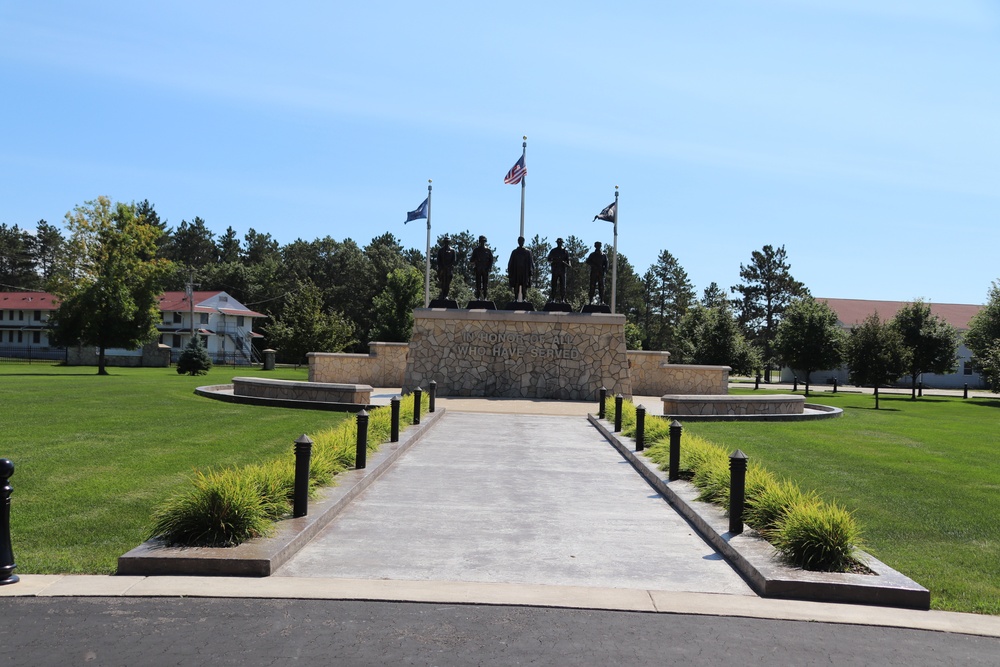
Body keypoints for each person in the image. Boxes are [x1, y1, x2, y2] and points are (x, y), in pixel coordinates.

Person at [507, 236, 533, 302]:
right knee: (516, 285)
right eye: (519, 241)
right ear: (518, 242)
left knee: (524, 286)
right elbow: (511, 262)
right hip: (516, 271)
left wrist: (531, 271)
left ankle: (524, 298)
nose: (521, 242)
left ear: (524, 242)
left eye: (522, 241)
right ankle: (515, 298)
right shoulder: (515, 252)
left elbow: (531, 262)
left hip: (524, 272)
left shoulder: (527, 252)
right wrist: (510, 272)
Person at [469, 235, 494, 300]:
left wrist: (489, 267)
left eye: (484, 241)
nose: (482, 242)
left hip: (485, 269)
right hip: (478, 268)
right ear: (479, 241)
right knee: (478, 284)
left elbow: (491, 259)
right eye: (481, 241)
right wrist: (476, 260)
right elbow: (471, 259)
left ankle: (485, 297)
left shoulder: (488, 250)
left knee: (485, 284)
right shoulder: (476, 250)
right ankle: (478, 297)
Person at [546, 237, 570, 303]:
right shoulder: (553, 251)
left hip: (562, 270)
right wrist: (554, 260)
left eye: (560, 243)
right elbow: (549, 259)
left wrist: (564, 263)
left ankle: (562, 299)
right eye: (558, 242)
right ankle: (553, 299)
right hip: (555, 270)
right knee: (554, 285)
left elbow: (568, 263)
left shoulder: (565, 252)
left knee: (563, 286)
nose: (559, 244)